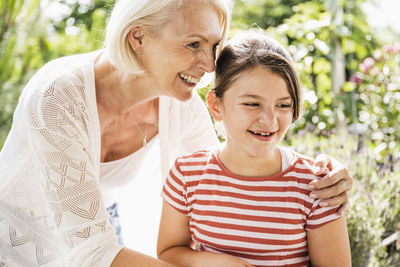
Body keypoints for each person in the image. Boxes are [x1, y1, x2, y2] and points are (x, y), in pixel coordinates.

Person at [0, 0, 351, 266]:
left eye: (213, 45)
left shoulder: (181, 104)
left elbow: (228, 180)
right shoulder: (57, 97)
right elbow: (92, 249)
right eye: (193, 44)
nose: (212, 65)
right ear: (138, 36)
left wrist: (320, 173)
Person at [157, 31, 352, 267]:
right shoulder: (186, 175)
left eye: (283, 105)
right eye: (252, 103)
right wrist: (220, 263)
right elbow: (168, 252)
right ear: (216, 105)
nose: (269, 120)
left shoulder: (317, 185)